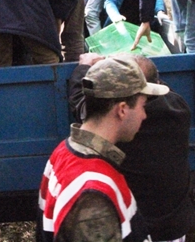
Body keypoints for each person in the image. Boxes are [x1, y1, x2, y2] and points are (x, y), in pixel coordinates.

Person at [38, 56, 170, 242]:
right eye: (142, 105)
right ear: (122, 109)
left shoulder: (64, 152)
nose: (144, 115)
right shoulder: (93, 195)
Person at [68, 53, 195, 242]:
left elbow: (80, 104)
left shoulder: (121, 124)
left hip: (137, 229)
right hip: (172, 227)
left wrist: (85, 68)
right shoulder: (179, 109)